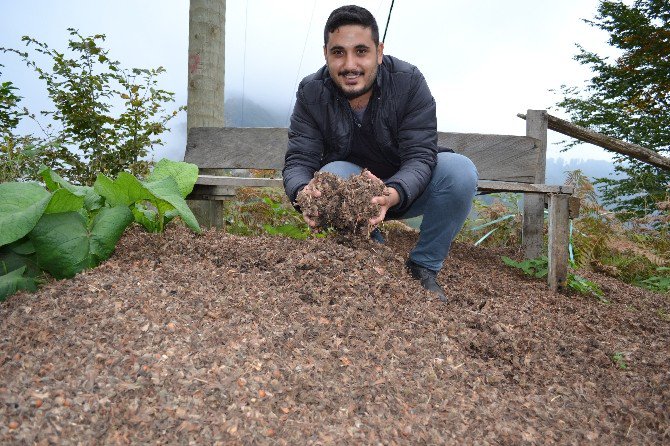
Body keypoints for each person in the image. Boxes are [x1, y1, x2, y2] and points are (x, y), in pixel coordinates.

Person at [283, 5, 478, 302]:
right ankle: (370, 256)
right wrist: (304, 195)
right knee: (331, 173)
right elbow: (299, 160)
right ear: (326, 54)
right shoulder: (311, 91)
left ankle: (423, 267)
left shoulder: (408, 81)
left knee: (460, 172)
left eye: (361, 51)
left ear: (379, 51)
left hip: (408, 189)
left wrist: (394, 192)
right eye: (338, 53)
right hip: (350, 195)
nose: (350, 64)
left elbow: (421, 155)